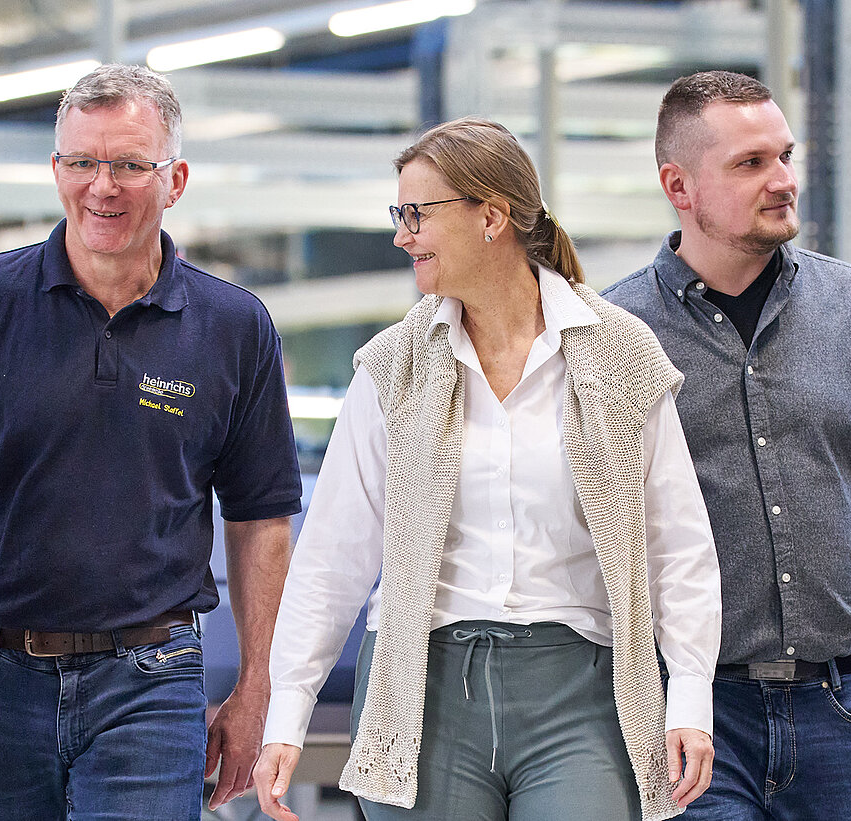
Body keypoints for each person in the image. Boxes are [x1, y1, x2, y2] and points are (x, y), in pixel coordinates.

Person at [251, 117, 722, 821]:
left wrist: (689, 695)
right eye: (398, 214)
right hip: (423, 693)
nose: (401, 235)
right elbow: (333, 556)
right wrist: (287, 712)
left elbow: (678, 543)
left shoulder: (619, 352)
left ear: (492, 217)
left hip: (583, 695)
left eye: (417, 214)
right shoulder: (393, 365)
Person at [0, 64, 301, 820]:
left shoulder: (234, 328)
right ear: (56, 170)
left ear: (174, 179)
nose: (101, 185)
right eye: (82, 162)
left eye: (128, 165)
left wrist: (257, 685)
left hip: (152, 678)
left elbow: (260, 518)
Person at [602, 71, 851, 821]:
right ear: (679, 186)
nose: (783, 181)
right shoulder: (615, 336)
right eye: (750, 163)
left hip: (849, 707)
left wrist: (846, 607)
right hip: (690, 719)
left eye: (785, 156)